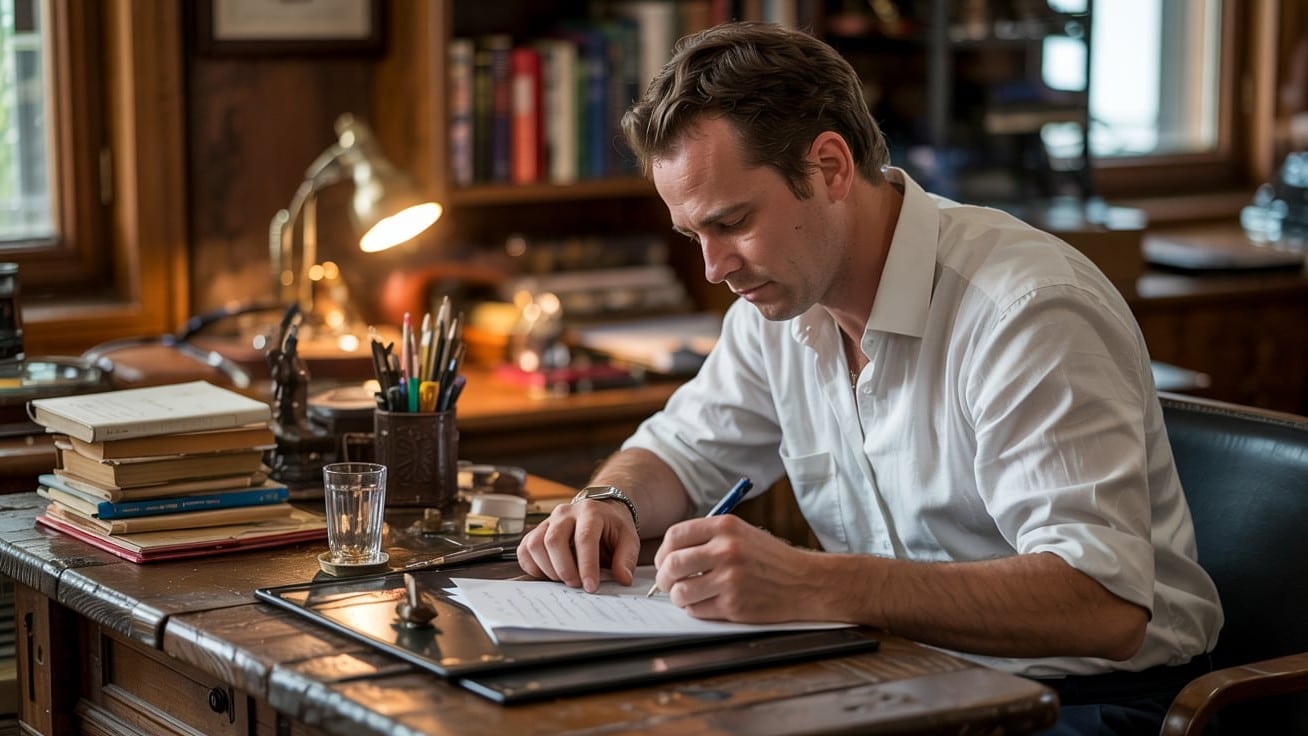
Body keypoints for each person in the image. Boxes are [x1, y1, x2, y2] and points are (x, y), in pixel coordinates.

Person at [516, 21, 1222, 735]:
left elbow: (1104, 604)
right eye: (693, 234)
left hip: (1089, 703)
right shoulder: (780, 311)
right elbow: (683, 451)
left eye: (731, 222)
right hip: (899, 679)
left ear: (829, 167)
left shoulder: (1025, 310)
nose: (713, 267)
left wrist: (810, 583)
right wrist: (612, 501)